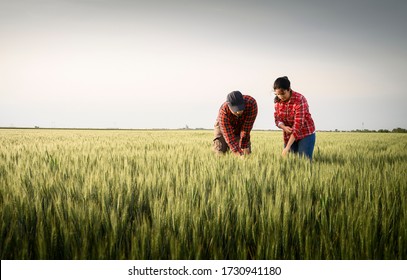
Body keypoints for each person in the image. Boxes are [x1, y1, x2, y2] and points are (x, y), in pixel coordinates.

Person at [273, 76, 316, 159]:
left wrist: (287, 147)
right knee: (290, 162)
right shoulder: (277, 101)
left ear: (289, 89)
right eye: (277, 94)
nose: (280, 97)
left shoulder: (299, 99)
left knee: (304, 161)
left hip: (305, 133)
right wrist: (283, 127)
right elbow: (277, 118)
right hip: (289, 135)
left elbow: (298, 126)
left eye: (282, 94)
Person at [213, 91, 258, 156]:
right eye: (236, 110)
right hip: (223, 128)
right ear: (229, 106)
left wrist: (244, 146)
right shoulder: (223, 113)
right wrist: (238, 153)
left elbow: (246, 129)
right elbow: (229, 137)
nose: (239, 112)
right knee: (220, 149)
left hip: (242, 125)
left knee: (246, 152)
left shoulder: (251, 103)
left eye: (241, 108)